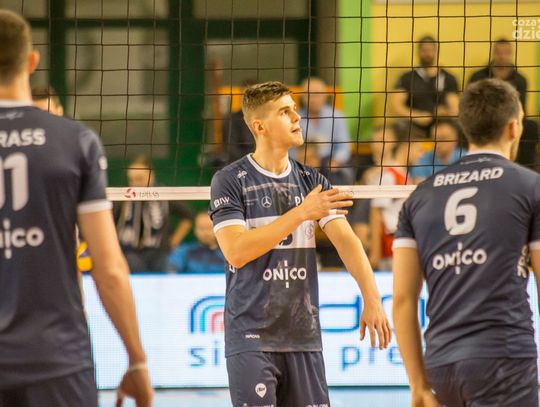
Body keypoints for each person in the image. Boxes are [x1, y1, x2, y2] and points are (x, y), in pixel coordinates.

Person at [0, 10, 152, 407]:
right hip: (57, 358)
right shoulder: (74, 140)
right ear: (32, 62)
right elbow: (108, 267)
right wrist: (137, 360)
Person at [209, 81, 391, 407]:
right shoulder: (229, 180)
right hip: (251, 335)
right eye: (285, 111)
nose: (297, 117)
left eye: (294, 109)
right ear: (259, 126)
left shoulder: (312, 181)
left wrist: (372, 298)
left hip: (303, 335)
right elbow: (236, 251)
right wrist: (302, 213)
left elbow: (347, 242)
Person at [393, 78, 539, 407]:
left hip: (442, 364)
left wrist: (418, 385)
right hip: (503, 359)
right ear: (514, 127)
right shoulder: (530, 187)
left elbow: (402, 300)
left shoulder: (420, 196)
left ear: (466, 128)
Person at [115, 155, 193, 272]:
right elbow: (109, 220)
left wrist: (174, 241)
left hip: (158, 252)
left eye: (139, 178)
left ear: (151, 176)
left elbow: (188, 216)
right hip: (129, 251)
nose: (135, 183)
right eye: (132, 179)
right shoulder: (123, 196)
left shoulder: (163, 194)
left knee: (166, 269)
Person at [469, 38, 538, 169]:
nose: (502, 56)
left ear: (511, 54)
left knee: (531, 127)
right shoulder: (478, 77)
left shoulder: (520, 79)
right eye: (499, 52)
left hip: (510, 120)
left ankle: (526, 169)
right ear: (493, 54)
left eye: (506, 53)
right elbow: (472, 105)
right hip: (484, 120)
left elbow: (521, 107)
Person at [369, 121, 423, 270]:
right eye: (418, 149)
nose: (421, 154)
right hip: (389, 247)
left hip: (402, 243)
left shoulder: (406, 175)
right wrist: (375, 253)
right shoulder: (389, 175)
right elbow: (375, 213)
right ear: (406, 146)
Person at [390, 35, 459, 137]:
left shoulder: (448, 78)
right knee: (399, 126)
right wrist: (417, 116)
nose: (427, 54)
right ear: (418, 52)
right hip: (413, 126)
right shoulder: (407, 78)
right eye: (424, 50)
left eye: (430, 50)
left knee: (455, 127)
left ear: (436, 51)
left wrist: (443, 113)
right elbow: (395, 107)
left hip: (441, 125)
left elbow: (455, 108)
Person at [297, 76, 352, 170]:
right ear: (302, 97)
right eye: (308, 95)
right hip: (303, 164)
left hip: (330, 163)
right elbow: (290, 149)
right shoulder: (295, 118)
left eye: (317, 94)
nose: (312, 99)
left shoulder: (337, 116)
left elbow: (344, 147)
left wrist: (336, 161)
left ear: (325, 96)